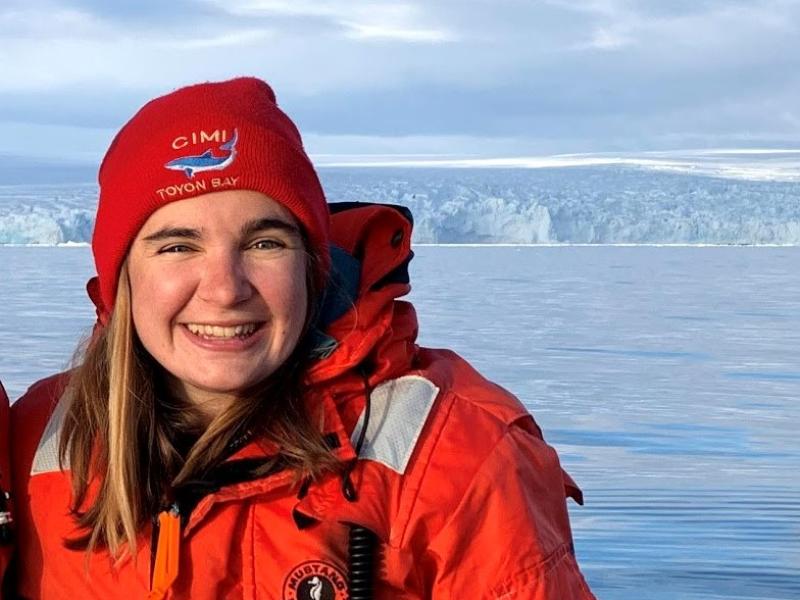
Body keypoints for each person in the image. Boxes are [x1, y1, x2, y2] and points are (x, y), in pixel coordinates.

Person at [4, 77, 596, 599]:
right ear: (121, 278)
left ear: (311, 267)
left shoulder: (456, 454)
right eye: (177, 245)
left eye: (265, 243)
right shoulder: (37, 436)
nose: (225, 289)